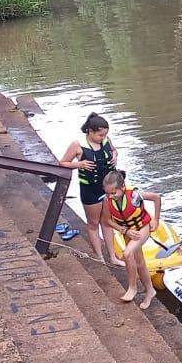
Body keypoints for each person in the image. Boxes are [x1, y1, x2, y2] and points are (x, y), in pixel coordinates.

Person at [60, 113, 120, 266]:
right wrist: (79, 164)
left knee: (107, 222)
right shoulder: (77, 145)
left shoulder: (106, 140)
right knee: (93, 223)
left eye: (105, 135)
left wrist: (114, 155)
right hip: (90, 189)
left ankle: (113, 257)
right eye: (100, 135)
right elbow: (63, 163)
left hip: (107, 188)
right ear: (90, 131)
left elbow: (114, 150)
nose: (103, 138)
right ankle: (100, 257)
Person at [101, 170, 160, 308]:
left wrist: (156, 219)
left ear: (122, 187)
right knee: (139, 263)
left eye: (113, 193)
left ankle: (132, 287)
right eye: (108, 193)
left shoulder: (134, 195)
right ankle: (150, 291)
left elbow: (156, 197)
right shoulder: (107, 200)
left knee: (127, 254)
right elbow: (108, 221)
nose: (111, 196)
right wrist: (124, 230)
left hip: (142, 228)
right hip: (128, 232)